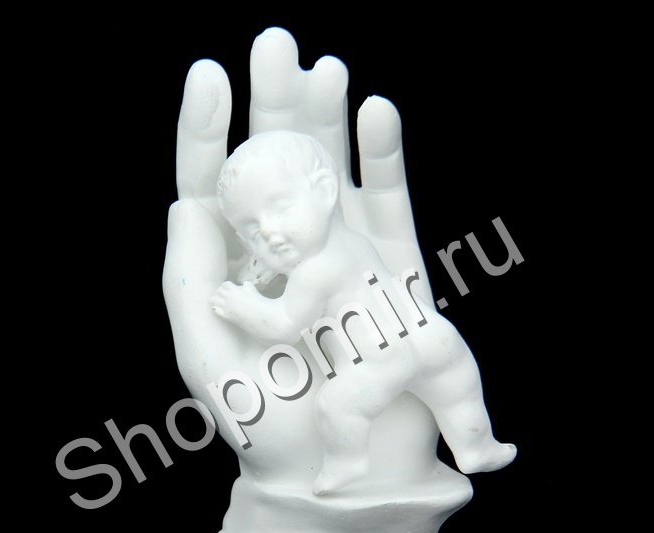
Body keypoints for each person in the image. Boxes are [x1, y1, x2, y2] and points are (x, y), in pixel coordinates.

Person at [210, 130, 516, 495]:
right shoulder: (355, 241)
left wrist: (242, 307)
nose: (271, 233)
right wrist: (272, 266)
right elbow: (320, 266)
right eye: (254, 232)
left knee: (336, 405)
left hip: (375, 359)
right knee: (458, 386)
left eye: (280, 209)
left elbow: (284, 326)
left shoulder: (312, 272)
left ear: (325, 191)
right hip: (428, 333)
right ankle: (475, 446)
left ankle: (347, 462)